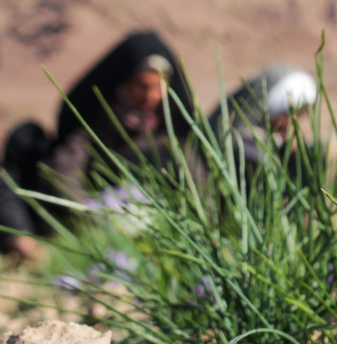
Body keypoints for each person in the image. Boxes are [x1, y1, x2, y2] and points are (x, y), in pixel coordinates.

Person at [0, 31, 193, 256]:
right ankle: (22, 242)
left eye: (158, 87)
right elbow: (65, 173)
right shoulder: (98, 119)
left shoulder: (172, 128)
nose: (150, 96)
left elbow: (193, 175)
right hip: (88, 217)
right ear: (125, 81)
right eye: (142, 86)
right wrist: (93, 215)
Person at [209, 63, 318, 178]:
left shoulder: (281, 141)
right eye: (286, 114)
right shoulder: (246, 145)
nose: (290, 123)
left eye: (299, 115)